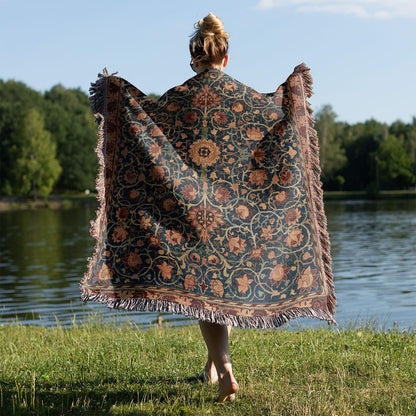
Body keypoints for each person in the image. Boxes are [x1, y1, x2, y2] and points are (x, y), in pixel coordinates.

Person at [81, 12, 336, 405]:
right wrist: (291, 92)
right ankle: (214, 366)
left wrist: (120, 96)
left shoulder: (176, 100)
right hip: (234, 217)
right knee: (217, 287)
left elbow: (144, 125)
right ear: (226, 58)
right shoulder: (246, 100)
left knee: (206, 291)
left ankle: (224, 371)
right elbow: (273, 119)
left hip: (189, 216)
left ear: (193, 59)